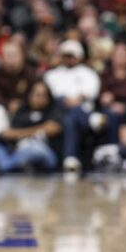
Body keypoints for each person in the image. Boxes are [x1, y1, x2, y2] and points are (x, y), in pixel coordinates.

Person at [0, 81, 62, 173]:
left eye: (43, 95)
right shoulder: (22, 111)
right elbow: (9, 134)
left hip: (46, 152)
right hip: (18, 150)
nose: (38, 99)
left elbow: (53, 128)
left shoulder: (53, 110)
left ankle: (1, 166)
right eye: (36, 94)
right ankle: (13, 164)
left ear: (49, 98)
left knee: (34, 148)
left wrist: (20, 134)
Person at [44, 39, 100, 172]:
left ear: (79, 56)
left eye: (72, 55)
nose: (69, 59)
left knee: (72, 117)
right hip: (59, 109)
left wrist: (78, 99)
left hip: (82, 107)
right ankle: (92, 120)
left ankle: (70, 159)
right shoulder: (53, 74)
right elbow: (50, 93)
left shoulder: (88, 73)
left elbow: (92, 92)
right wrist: (65, 100)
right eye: (66, 55)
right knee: (68, 114)